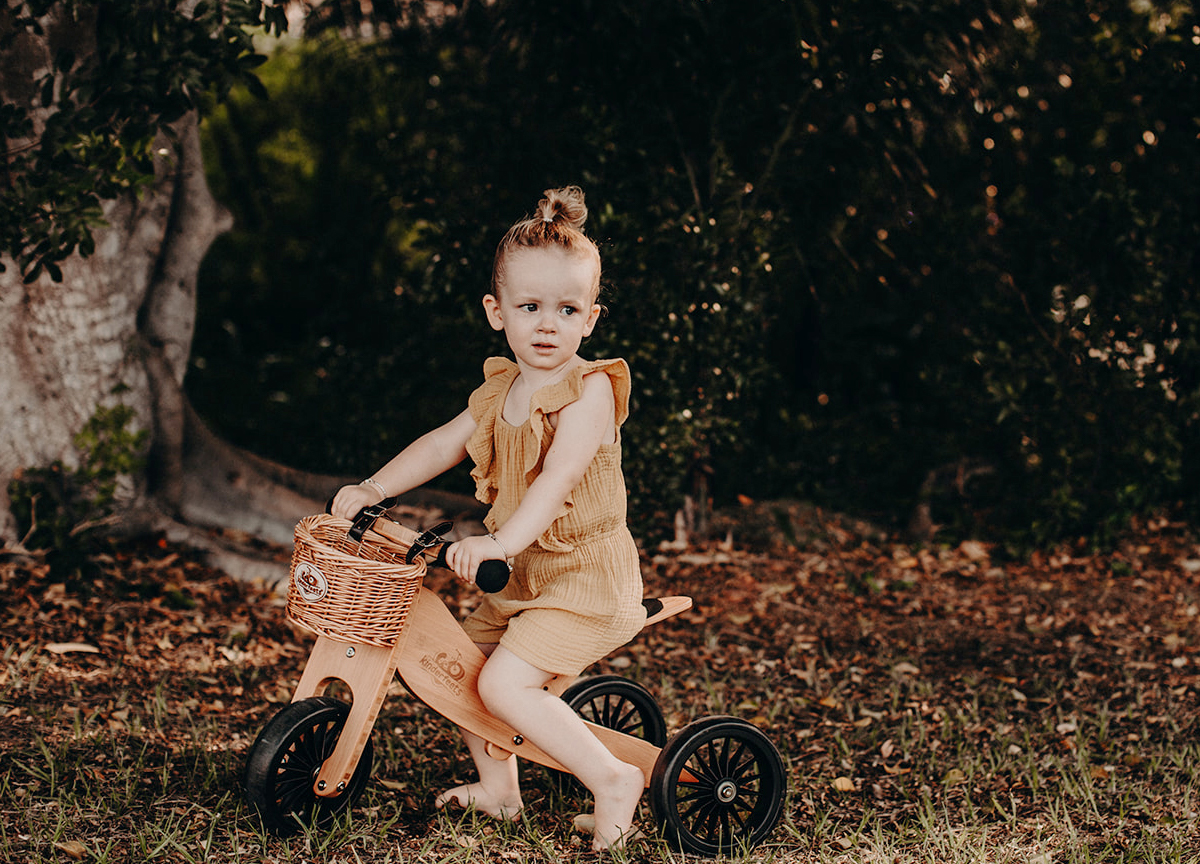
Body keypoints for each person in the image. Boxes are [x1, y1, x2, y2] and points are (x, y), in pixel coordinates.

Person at [330, 186, 647, 851]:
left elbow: (556, 480)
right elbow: (443, 442)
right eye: (530, 307)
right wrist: (374, 486)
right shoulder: (501, 387)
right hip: (522, 575)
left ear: (591, 318)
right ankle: (500, 789)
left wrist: (497, 538)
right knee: (462, 669)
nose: (546, 325)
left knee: (503, 682)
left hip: (585, 579)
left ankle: (614, 778)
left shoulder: (590, 392)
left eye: (566, 310)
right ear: (495, 311)